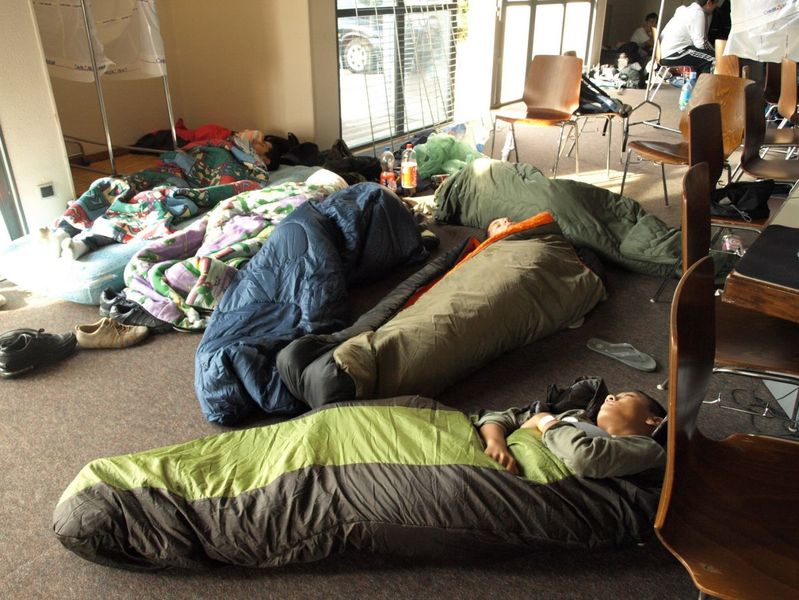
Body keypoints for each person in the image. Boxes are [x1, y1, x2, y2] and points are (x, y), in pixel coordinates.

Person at [475, 390, 666, 478]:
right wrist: (495, 443)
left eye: (627, 396)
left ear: (654, 420)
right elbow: (498, 418)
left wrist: (545, 422)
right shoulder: (575, 417)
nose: (611, 396)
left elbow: (585, 458)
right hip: (487, 456)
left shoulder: (649, 450)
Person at [659, 0, 717, 74]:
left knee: (704, 55)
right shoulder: (698, 12)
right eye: (715, 5)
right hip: (673, 53)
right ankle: (703, 82)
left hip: (666, 53)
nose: (715, 8)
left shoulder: (687, 10)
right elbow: (701, 43)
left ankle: (697, 80)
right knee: (713, 58)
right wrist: (716, 52)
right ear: (709, 3)